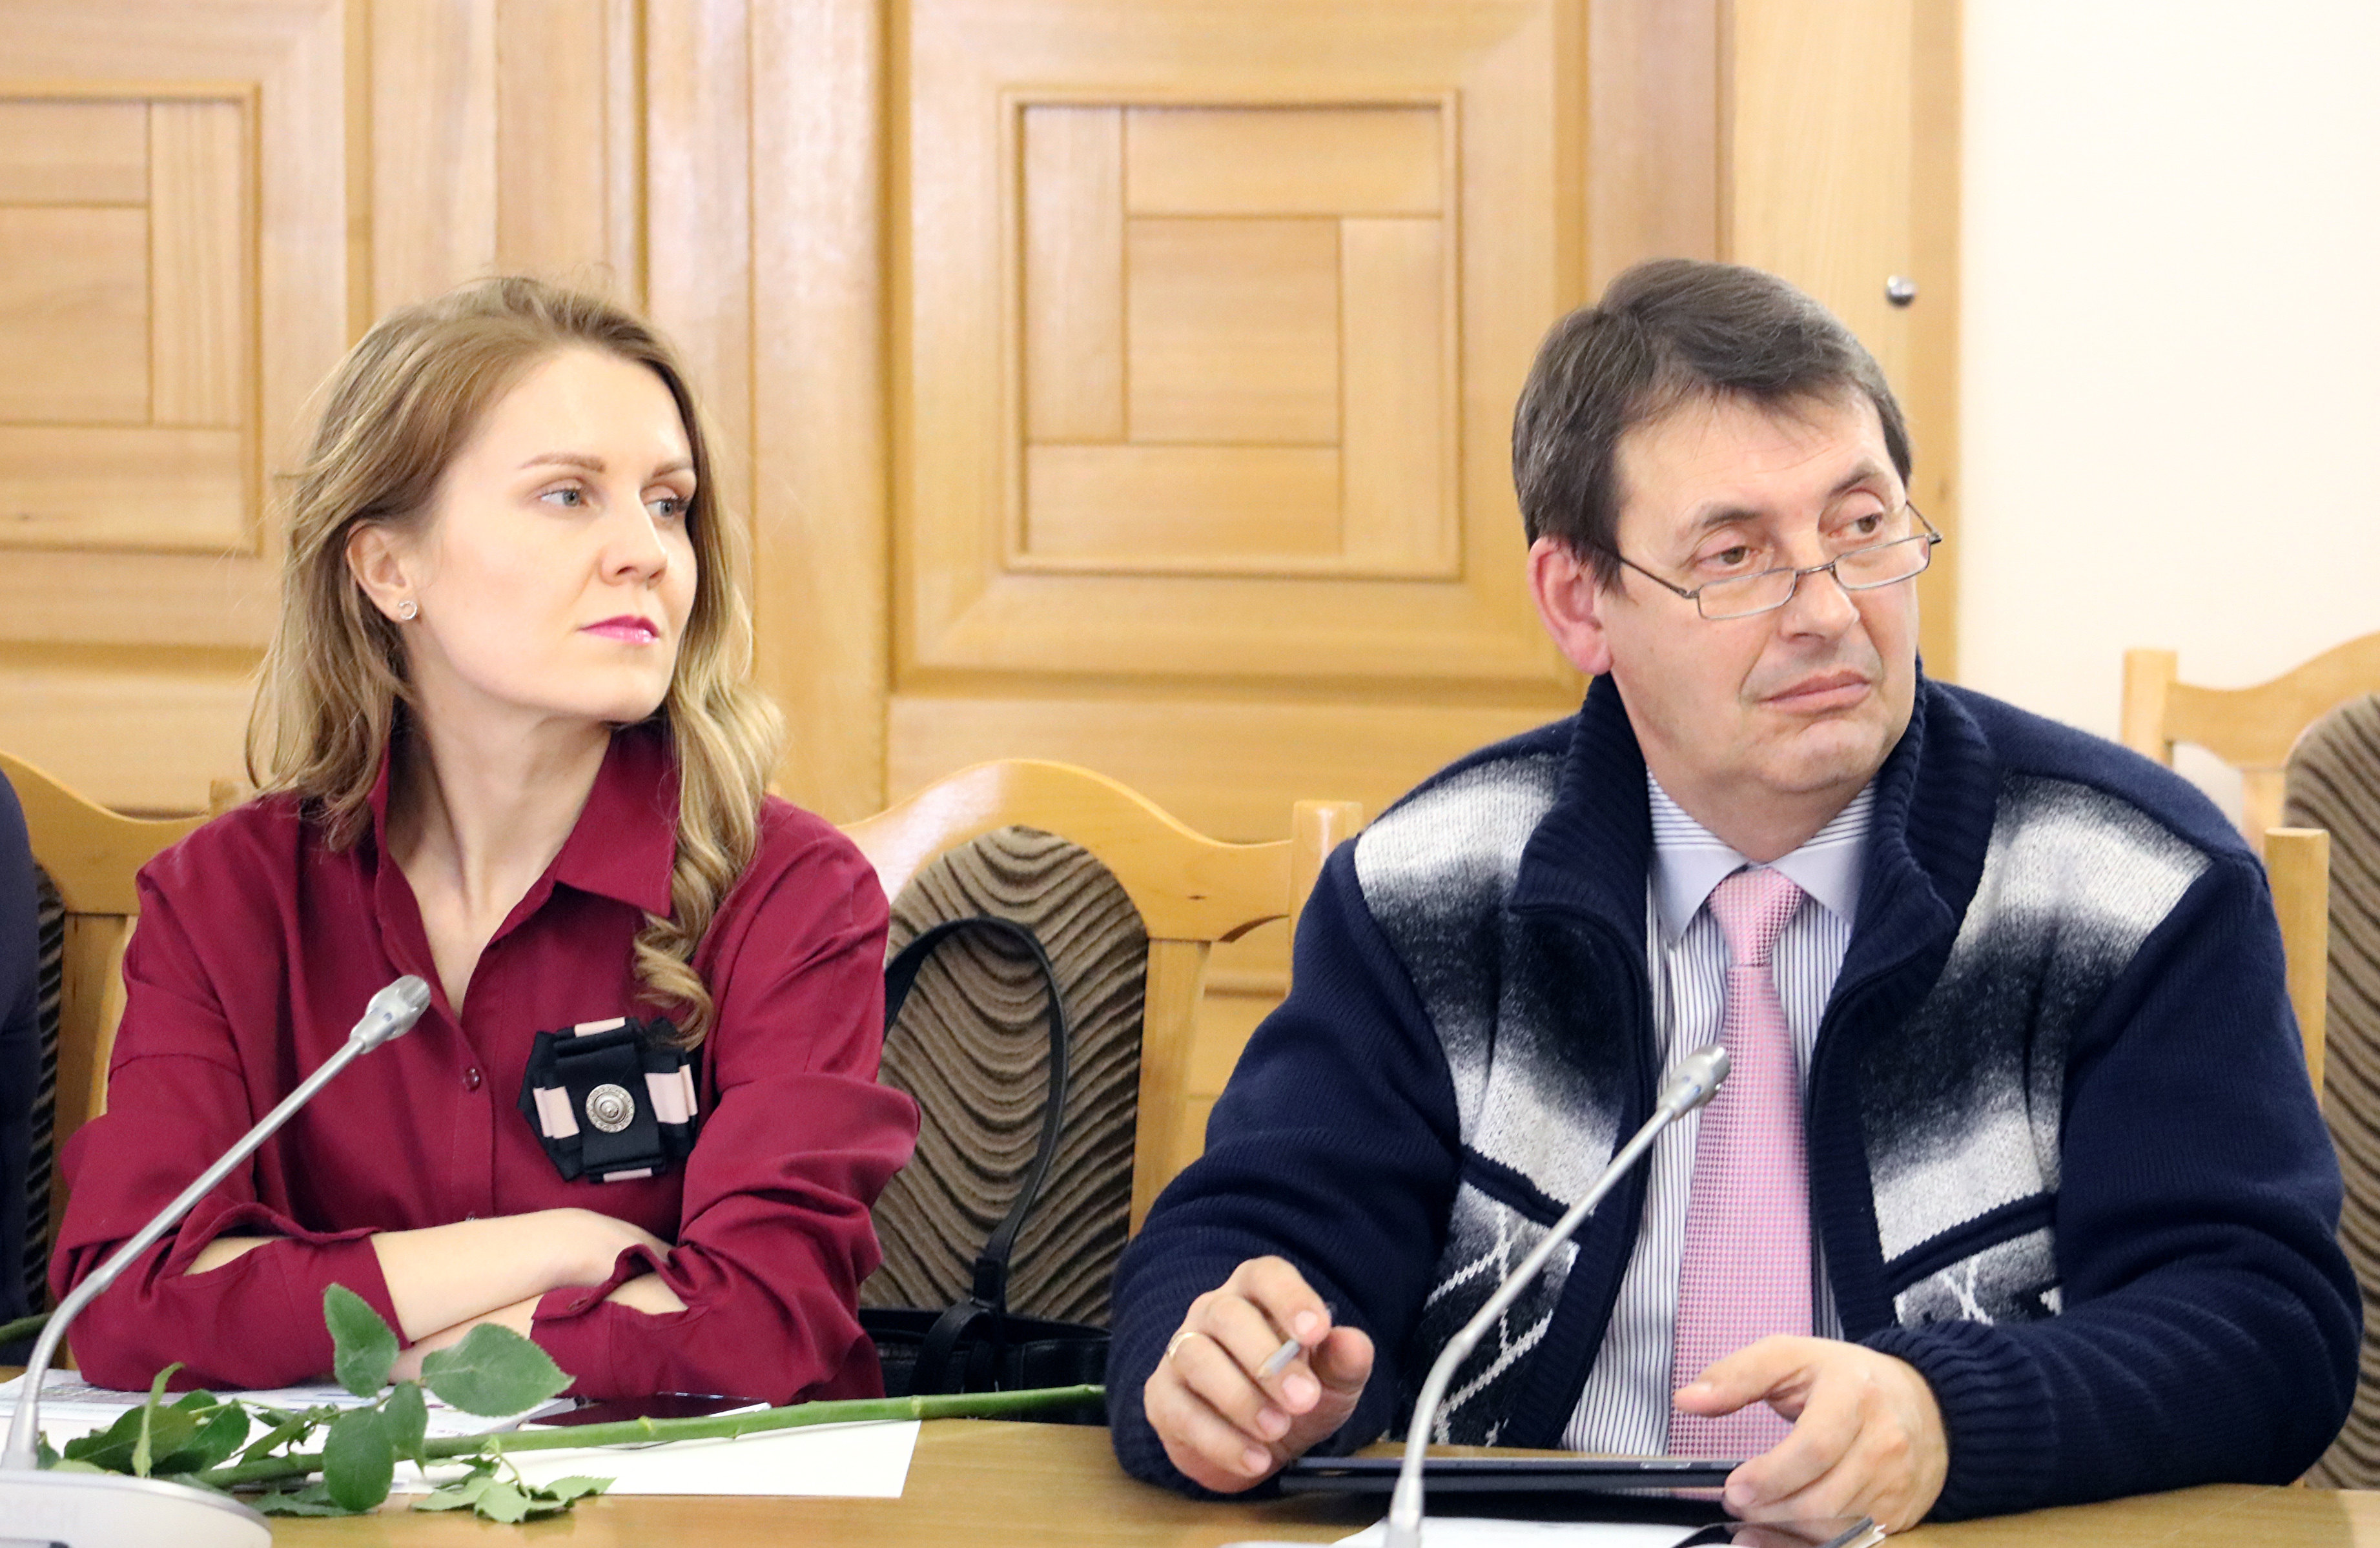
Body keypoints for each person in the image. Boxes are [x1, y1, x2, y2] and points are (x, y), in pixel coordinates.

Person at [1109, 259, 2358, 1528]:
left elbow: (2263, 1328)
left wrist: (1948, 1418)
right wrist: (1226, 1369)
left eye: (1860, 526)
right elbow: (1252, 1235)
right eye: (1735, 554)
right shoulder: (1429, 888)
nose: (1827, 610)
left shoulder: (2130, 883)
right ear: (1579, 600)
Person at [52, 278, 919, 1403]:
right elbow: (126, 1302)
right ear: (389, 568)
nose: (646, 552)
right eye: (567, 494)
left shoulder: (790, 890)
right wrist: (553, 1247)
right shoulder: (226, 894)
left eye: (667, 503)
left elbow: (757, 1328)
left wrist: (371, 1352)